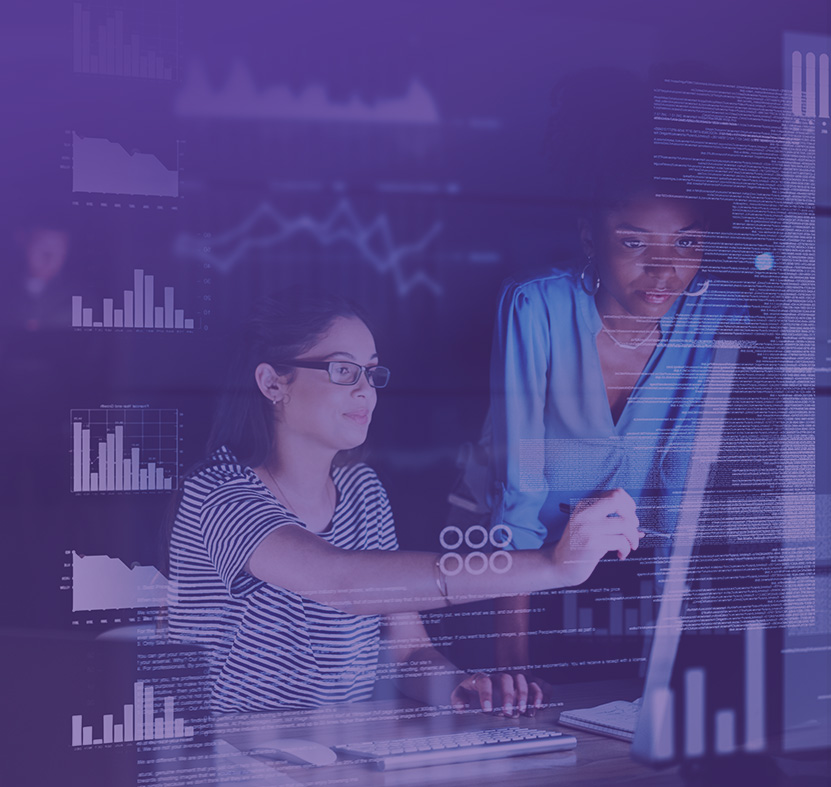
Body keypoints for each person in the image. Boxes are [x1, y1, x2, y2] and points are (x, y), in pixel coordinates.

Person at [167, 292, 643, 714]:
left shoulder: (363, 490)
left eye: (371, 373)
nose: (365, 390)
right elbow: (343, 582)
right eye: (342, 370)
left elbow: (409, 652)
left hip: (341, 758)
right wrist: (553, 565)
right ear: (273, 383)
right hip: (229, 758)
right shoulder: (218, 491)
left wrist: (459, 686)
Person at [486, 68, 745, 671]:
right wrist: (510, 652)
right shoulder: (537, 306)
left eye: (686, 244)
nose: (664, 272)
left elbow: (685, 484)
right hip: (533, 580)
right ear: (588, 237)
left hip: (651, 590)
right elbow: (519, 489)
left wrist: (670, 664)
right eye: (634, 242)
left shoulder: (714, 316)